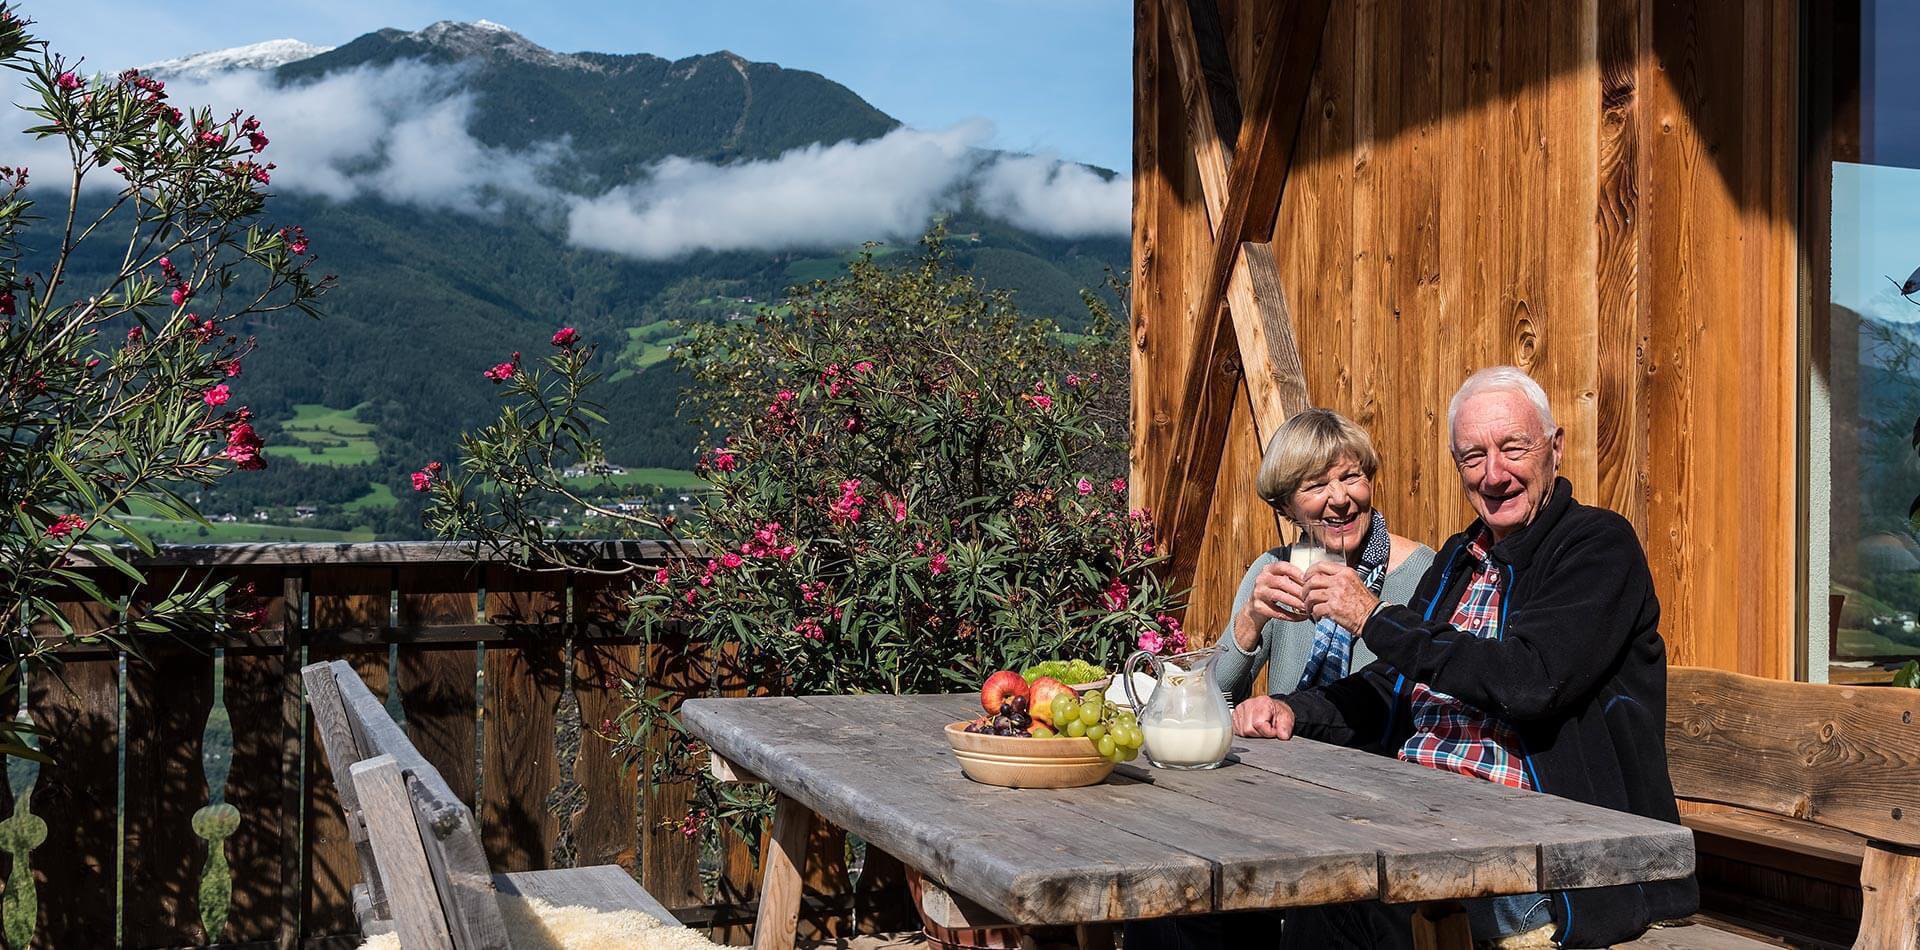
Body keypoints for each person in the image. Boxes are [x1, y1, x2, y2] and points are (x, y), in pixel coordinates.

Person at [1238, 366, 1698, 949]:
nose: (1495, 474)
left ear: (1555, 448)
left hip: (1551, 851)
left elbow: (1531, 680)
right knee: (1298, 877)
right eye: (1473, 457)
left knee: (1350, 887)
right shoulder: (1462, 555)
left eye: (1512, 448)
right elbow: (1393, 684)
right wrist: (1292, 711)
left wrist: (1375, 618)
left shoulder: (1596, 545)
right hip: (1425, 815)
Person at [1215, 408, 1434, 704]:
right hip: (1290, 748)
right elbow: (1215, 697)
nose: (1341, 498)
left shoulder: (1423, 572)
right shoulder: (1275, 574)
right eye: (1317, 485)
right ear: (1286, 507)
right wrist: (1250, 619)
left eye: (1351, 476)